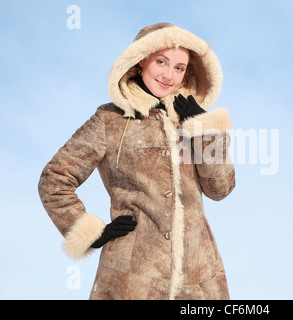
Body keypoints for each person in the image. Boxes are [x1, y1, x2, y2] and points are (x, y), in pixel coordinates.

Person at [38, 22, 235, 300]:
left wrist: (204, 129)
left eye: (179, 68)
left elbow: (220, 189)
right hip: (132, 280)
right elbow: (54, 180)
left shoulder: (193, 121)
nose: (169, 75)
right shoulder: (109, 120)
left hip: (198, 278)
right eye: (161, 62)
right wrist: (90, 233)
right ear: (141, 60)